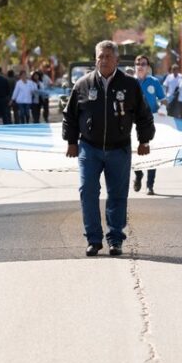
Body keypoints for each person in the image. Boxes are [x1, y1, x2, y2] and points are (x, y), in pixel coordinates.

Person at [63, 41, 155, 257]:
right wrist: (71, 141)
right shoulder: (83, 84)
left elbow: (143, 115)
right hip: (89, 149)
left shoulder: (130, 85)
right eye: (100, 57)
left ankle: (115, 239)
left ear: (116, 60)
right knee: (87, 191)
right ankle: (93, 240)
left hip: (119, 149)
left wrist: (144, 140)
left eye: (108, 57)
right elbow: (70, 116)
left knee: (117, 195)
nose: (103, 60)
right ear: (95, 59)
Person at [132, 54, 166, 195]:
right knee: (135, 152)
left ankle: (150, 185)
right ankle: (138, 174)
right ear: (135, 66)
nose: (140, 66)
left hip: (151, 122)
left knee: (153, 153)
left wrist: (163, 107)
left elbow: (163, 99)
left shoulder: (154, 82)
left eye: (143, 64)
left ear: (148, 67)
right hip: (134, 123)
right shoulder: (130, 82)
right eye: (138, 64)